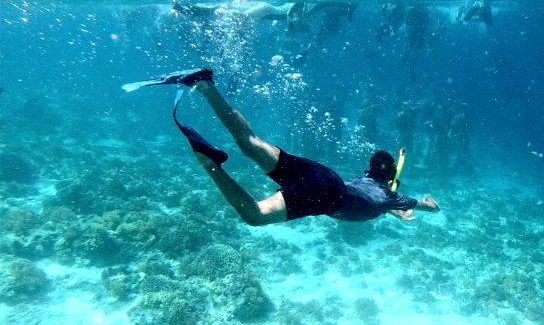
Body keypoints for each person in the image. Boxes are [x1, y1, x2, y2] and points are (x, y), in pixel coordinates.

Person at [124, 68, 440, 225]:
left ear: (370, 170)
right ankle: (211, 165)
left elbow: (382, 198)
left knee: (250, 143)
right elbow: (420, 205)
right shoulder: (391, 196)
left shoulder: (369, 184)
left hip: (323, 174)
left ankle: (205, 85)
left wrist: (395, 210)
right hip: (328, 196)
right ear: (389, 178)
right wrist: (426, 205)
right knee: (255, 215)